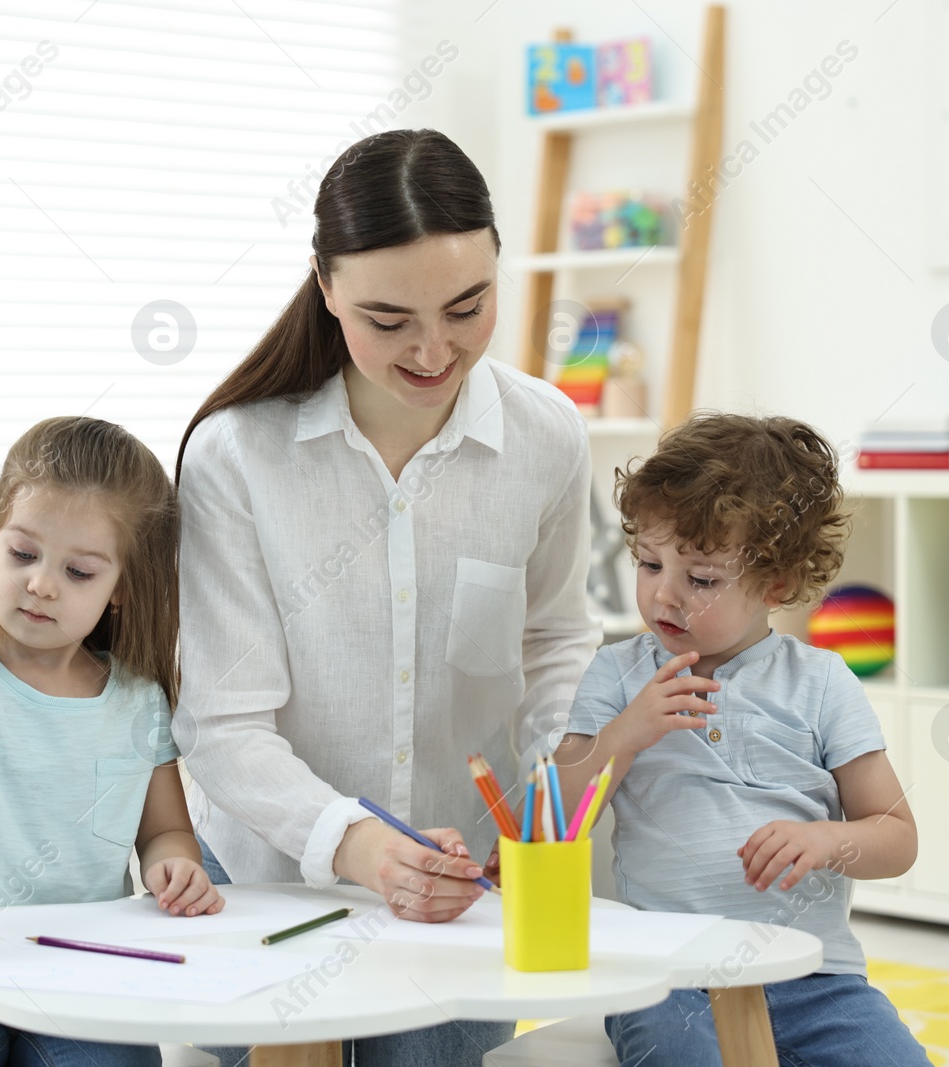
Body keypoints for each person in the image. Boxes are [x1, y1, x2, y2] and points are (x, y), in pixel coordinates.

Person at [174, 128, 598, 1065]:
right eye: (389, 319)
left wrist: (550, 787)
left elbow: (556, 638)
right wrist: (360, 845)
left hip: (461, 894)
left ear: (497, 264)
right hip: (267, 887)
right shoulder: (236, 457)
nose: (433, 349)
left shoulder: (549, 437)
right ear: (326, 288)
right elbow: (222, 725)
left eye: (466, 306)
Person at [553, 413, 928, 1067]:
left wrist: (825, 840)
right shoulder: (616, 675)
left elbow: (896, 838)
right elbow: (552, 819)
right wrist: (625, 734)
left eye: (700, 579)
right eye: (647, 562)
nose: (663, 592)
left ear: (776, 584)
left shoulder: (822, 681)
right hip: (665, 978)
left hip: (817, 978)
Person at [0, 416, 222, 1067]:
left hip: (81, 969)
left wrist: (176, 865)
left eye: (79, 571)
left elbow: (165, 832)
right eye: (23, 554)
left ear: (120, 591)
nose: (41, 583)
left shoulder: (139, 701)